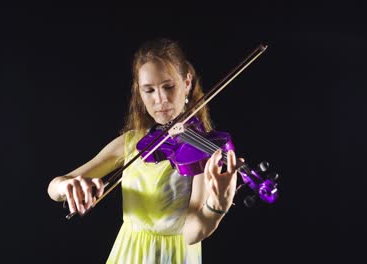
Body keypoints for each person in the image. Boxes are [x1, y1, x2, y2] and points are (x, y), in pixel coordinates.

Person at [47, 38, 241, 263]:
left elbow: (191, 233)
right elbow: (54, 188)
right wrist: (67, 186)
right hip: (128, 254)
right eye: (149, 90)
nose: (160, 99)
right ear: (139, 92)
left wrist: (216, 206)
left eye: (169, 87)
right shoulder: (131, 143)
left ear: (187, 83)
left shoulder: (201, 150)